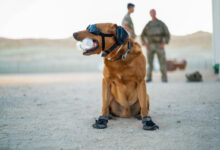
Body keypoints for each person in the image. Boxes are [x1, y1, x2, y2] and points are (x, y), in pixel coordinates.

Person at [141, 9, 170, 82]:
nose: (153, 14)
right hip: (150, 46)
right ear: (150, 14)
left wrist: (164, 43)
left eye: (154, 13)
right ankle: (149, 77)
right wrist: (145, 44)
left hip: (159, 45)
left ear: (155, 13)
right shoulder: (148, 24)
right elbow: (142, 35)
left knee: (162, 62)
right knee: (149, 63)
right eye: (151, 13)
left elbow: (167, 34)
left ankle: (164, 78)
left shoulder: (161, 24)